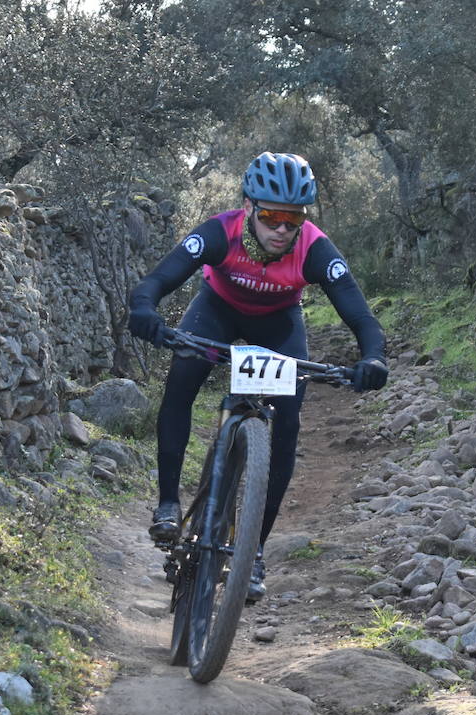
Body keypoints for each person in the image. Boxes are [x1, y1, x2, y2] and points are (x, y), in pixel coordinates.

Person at [125, 152, 389, 601]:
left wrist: (374, 358)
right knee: (180, 386)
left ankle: (255, 550)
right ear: (248, 206)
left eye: (293, 219)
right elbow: (158, 279)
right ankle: (168, 502)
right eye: (271, 216)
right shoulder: (217, 232)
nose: (282, 229)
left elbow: (360, 314)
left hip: (278, 326)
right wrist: (144, 309)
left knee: (287, 423)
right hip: (216, 313)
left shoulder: (315, 249)